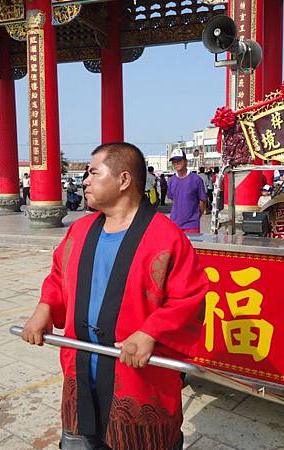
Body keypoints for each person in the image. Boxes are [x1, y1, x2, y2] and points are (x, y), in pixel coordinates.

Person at [21, 142, 207, 450]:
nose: (85, 181)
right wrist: (44, 308)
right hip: (80, 374)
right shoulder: (79, 231)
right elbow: (58, 276)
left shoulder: (166, 237)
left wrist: (150, 332)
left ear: (123, 180)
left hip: (138, 381)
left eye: (94, 172)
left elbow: (189, 298)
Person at [167, 149, 206, 233]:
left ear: (185, 161)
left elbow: (202, 200)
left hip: (192, 225)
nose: (176, 163)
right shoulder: (171, 180)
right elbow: (172, 199)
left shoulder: (196, 179)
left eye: (179, 161)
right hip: (175, 224)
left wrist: (196, 216)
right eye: (174, 162)